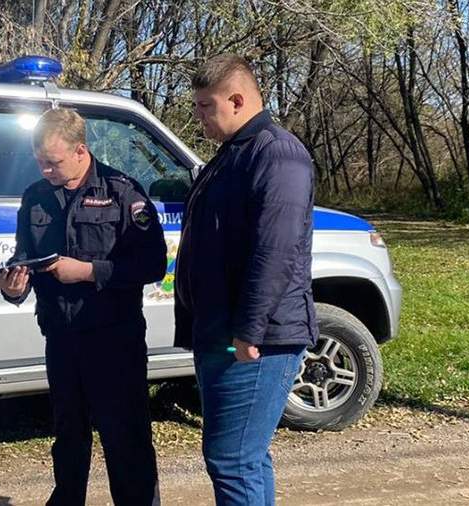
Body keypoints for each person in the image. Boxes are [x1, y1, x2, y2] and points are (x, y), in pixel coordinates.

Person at [0, 108, 165, 505]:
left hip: (114, 338)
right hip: (61, 337)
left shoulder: (122, 192)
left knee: (126, 440)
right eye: (39, 161)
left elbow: (152, 264)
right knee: (68, 440)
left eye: (53, 162)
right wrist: (13, 287)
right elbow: (25, 258)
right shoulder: (35, 196)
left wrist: (86, 271)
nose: (45, 169)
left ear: (80, 150)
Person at [174, 54, 318, 505]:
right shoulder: (232, 155)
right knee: (245, 459)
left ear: (237, 100)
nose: (197, 117)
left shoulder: (279, 156)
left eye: (204, 106)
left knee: (232, 460)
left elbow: (274, 253)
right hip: (224, 332)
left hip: (259, 340)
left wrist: (249, 330)